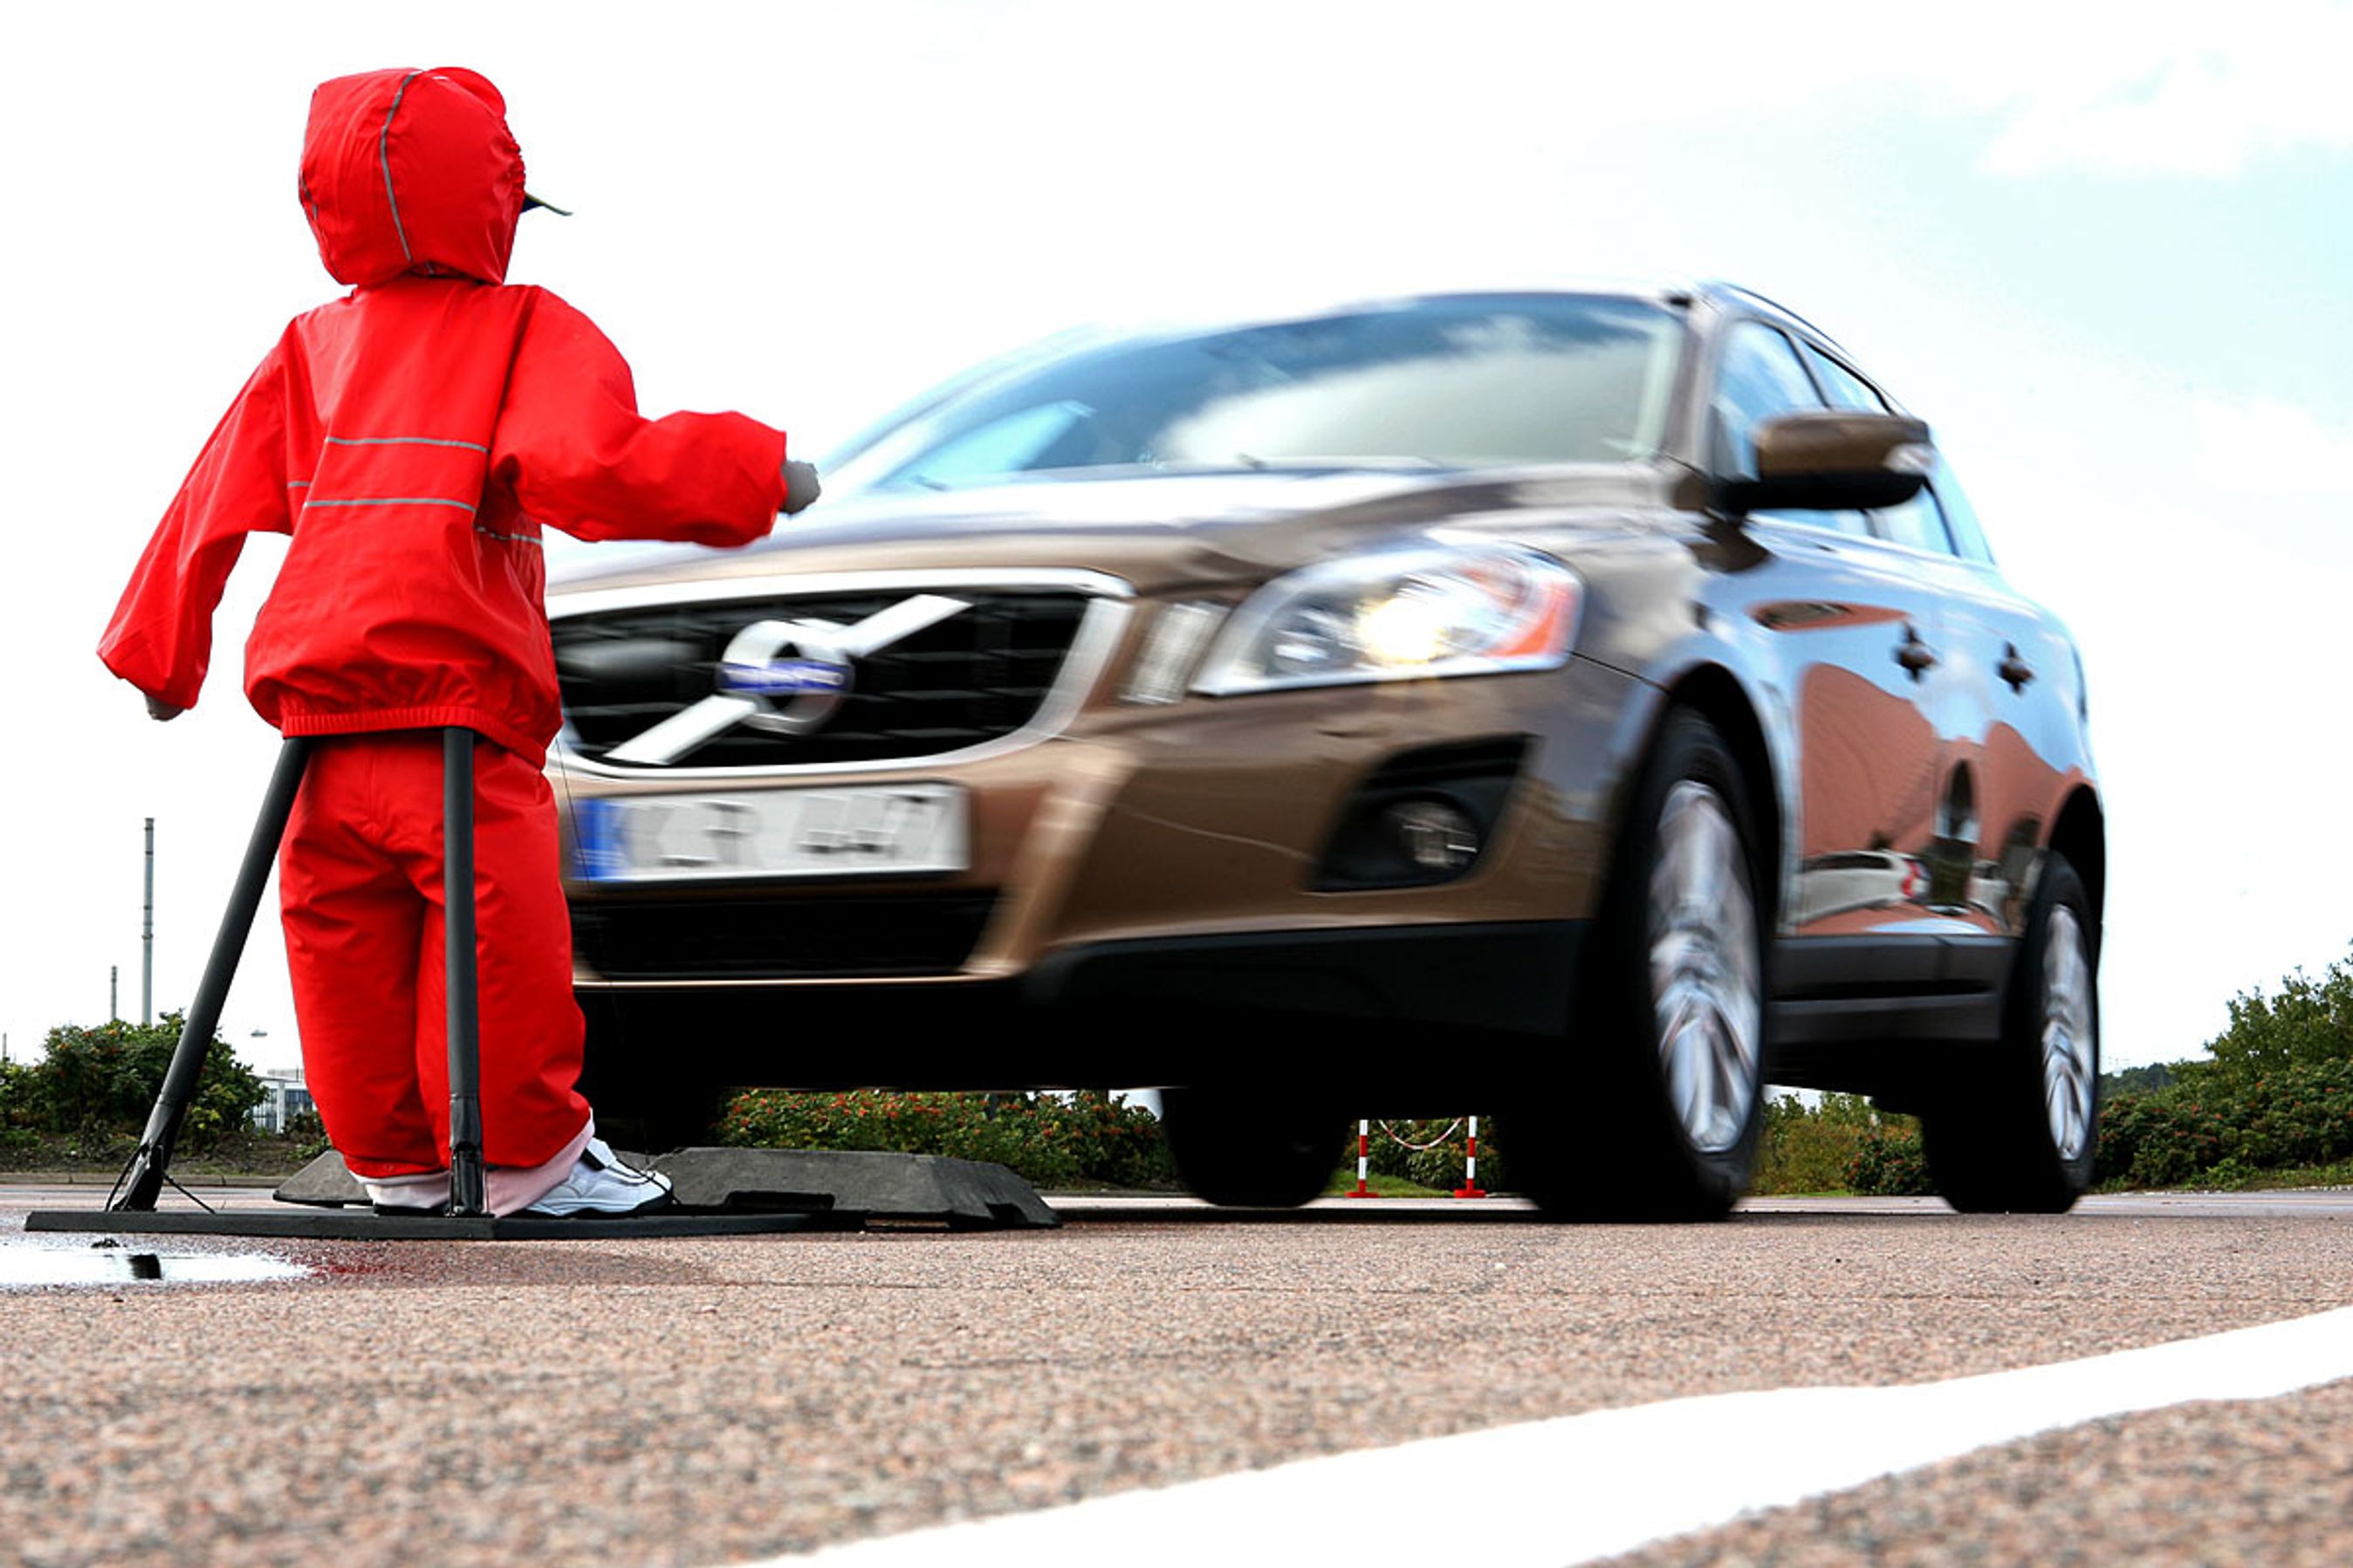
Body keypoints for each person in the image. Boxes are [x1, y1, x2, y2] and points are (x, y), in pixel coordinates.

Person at [97, 66, 820, 1216]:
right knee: (496, 945)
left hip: (320, 731)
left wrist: (158, 648)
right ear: (493, 205)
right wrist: (752, 472)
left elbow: (209, 498)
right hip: (457, 712)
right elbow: (601, 465)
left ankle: (397, 1163)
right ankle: (529, 1160)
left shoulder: (307, 349)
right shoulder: (525, 329)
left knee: (343, 949)